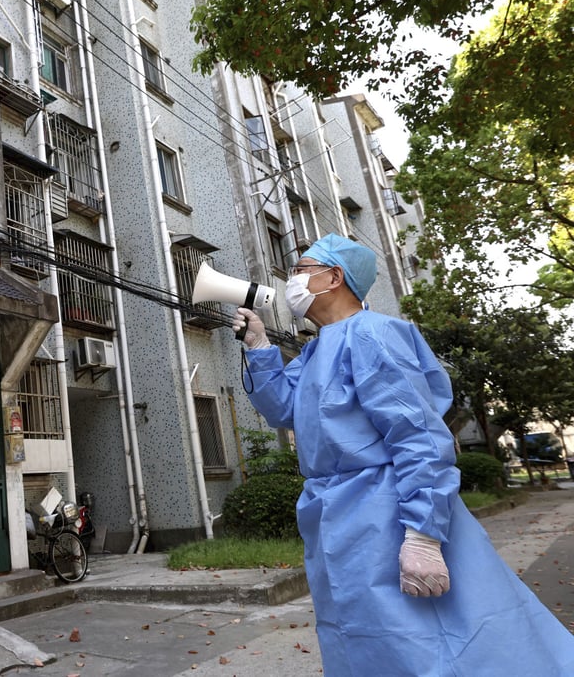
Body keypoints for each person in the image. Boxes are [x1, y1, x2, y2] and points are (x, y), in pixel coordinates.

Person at [233, 234, 574, 676]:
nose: (292, 280)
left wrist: (423, 536)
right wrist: (259, 346)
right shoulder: (317, 348)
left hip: (386, 511)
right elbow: (284, 408)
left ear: (334, 276)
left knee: (427, 638)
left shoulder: (373, 335)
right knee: (362, 636)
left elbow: (418, 437)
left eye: (301, 269)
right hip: (336, 518)